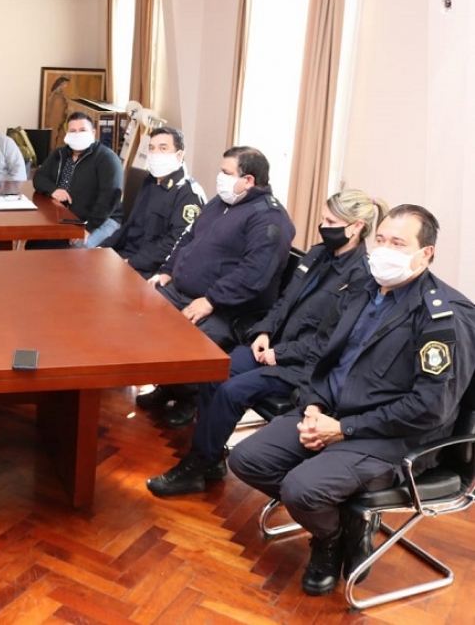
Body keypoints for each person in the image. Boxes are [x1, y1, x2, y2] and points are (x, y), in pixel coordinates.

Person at [229, 204, 475, 597]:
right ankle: (343, 526)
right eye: (381, 239)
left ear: (425, 253)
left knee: (301, 489)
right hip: (330, 413)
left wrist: (341, 430)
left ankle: (327, 544)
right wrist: (312, 407)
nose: (384, 249)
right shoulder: (363, 292)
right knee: (246, 458)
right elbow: (323, 357)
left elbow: (432, 408)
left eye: (398, 243)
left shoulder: (443, 317)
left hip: (390, 439)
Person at [147, 190, 385, 494]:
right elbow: (284, 303)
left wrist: (279, 352)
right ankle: (213, 457)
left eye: (330, 221)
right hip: (272, 346)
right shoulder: (317, 255)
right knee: (214, 372)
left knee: (232, 391)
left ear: (355, 227)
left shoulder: (361, 278)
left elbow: (332, 342)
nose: (322, 225)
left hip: (303, 366)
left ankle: (197, 463)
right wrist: (263, 333)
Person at [139, 146, 296, 423]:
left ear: (248, 180)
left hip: (229, 308)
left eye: (226, 172)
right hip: (184, 290)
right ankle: (167, 386)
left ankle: (190, 398)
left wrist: (211, 300)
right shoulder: (222, 203)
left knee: (191, 340)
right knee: (146, 313)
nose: (219, 177)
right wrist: (167, 271)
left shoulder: (270, 220)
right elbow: (188, 237)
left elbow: (254, 275)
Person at [99, 126, 206, 278]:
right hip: (126, 256)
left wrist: (131, 263)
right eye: (152, 148)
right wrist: (103, 247)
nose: (155, 154)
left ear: (179, 155)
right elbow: (129, 226)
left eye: (163, 148)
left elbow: (174, 243)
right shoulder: (149, 182)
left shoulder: (188, 193)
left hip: (150, 268)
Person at [31, 111, 123, 248]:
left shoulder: (107, 158)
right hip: (66, 217)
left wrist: (87, 229)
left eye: (82, 130)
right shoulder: (60, 154)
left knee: (74, 254)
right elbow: (39, 177)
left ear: (93, 132)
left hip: (101, 220)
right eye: (73, 131)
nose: (77, 134)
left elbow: (109, 199)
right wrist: (53, 190)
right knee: (36, 245)